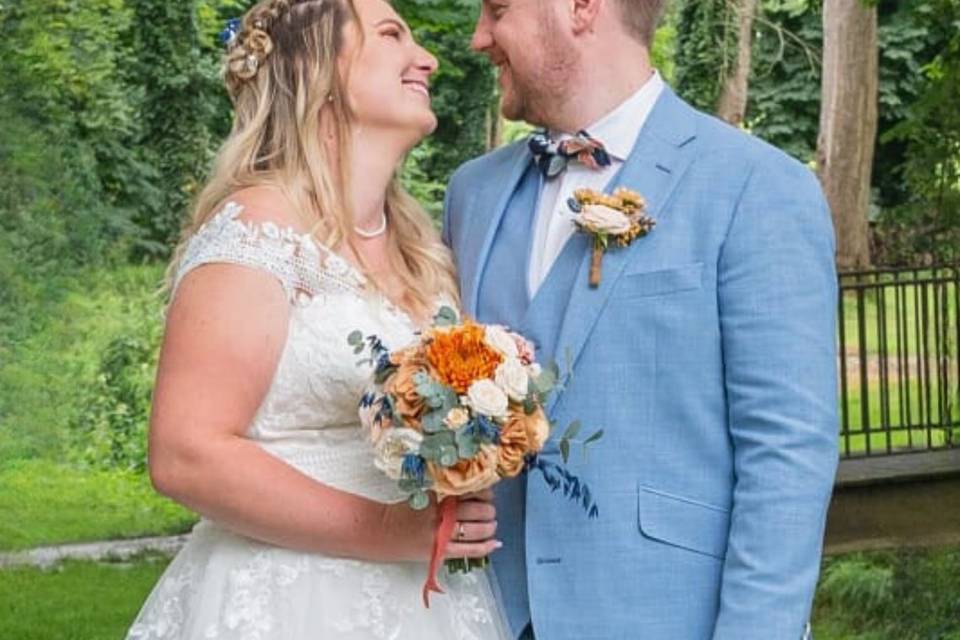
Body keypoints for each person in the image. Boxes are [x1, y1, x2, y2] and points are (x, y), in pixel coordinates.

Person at [442, 0, 838, 638]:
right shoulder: (472, 194)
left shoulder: (756, 186)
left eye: (497, 10)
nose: (478, 38)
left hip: (667, 615)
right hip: (487, 612)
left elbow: (787, 454)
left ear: (580, 8)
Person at [126, 0, 508, 637]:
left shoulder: (425, 252)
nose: (428, 58)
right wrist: (390, 533)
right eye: (392, 35)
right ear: (319, 71)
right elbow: (184, 454)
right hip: (288, 598)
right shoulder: (259, 228)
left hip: (426, 603)